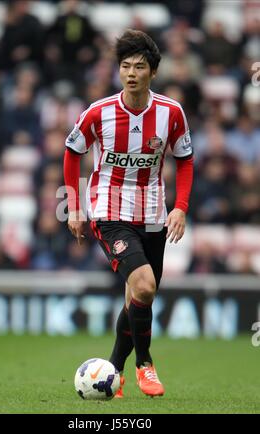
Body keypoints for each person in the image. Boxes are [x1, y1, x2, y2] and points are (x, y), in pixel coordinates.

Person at [63, 29, 193, 397]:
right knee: (145, 285)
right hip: (108, 209)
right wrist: (74, 205)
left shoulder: (171, 113)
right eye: (125, 66)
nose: (131, 73)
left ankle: (113, 372)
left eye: (139, 66)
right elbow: (72, 152)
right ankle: (145, 365)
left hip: (153, 211)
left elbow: (185, 161)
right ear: (118, 71)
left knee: (138, 297)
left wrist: (180, 208)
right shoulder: (98, 112)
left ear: (153, 71)